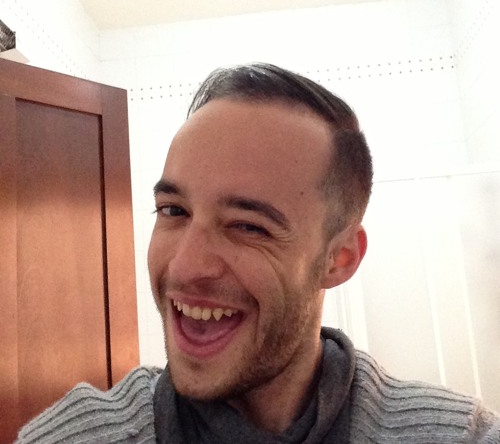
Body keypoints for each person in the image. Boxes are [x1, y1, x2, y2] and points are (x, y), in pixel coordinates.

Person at [17, 63, 500, 443]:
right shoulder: (74, 435)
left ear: (340, 259)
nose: (185, 266)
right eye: (173, 210)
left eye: (248, 226)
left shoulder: (459, 435)